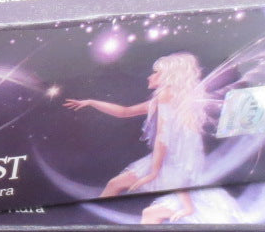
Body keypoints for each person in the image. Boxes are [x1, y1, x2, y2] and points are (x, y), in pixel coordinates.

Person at [64, 52, 209, 198]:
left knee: (115, 184)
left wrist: (153, 172)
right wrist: (91, 102)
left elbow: (163, 136)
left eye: (156, 72)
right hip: (177, 161)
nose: (149, 76)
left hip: (171, 162)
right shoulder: (172, 98)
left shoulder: (165, 95)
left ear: (169, 76)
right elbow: (125, 112)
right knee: (117, 185)